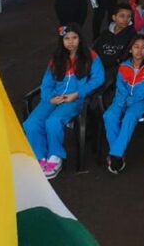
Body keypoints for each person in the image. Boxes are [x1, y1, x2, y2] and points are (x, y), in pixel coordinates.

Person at [23, 25, 106, 179]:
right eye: (66, 38)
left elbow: (99, 79)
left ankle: (55, 157)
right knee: (31, 123)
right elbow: (46, 83)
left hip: (74, 99)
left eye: (74, 38)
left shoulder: (90, 56)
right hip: (53, 98)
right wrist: (49, 98)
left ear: (80, 39)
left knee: (53, 121)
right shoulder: (56, 59)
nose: (71, 42)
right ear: (61, 41)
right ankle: (40, 157)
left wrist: (78, 94)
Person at [103, 35, 144, 174]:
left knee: (130, 115)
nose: (139, 50)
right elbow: (120, 85)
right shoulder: (124, 65)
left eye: (143, 47)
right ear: (130, 49)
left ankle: (115, 155)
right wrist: (124, 99)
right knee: (109, 116)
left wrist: (132, 99)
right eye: (136, 47)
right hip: (122, 99)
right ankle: (119, 153)